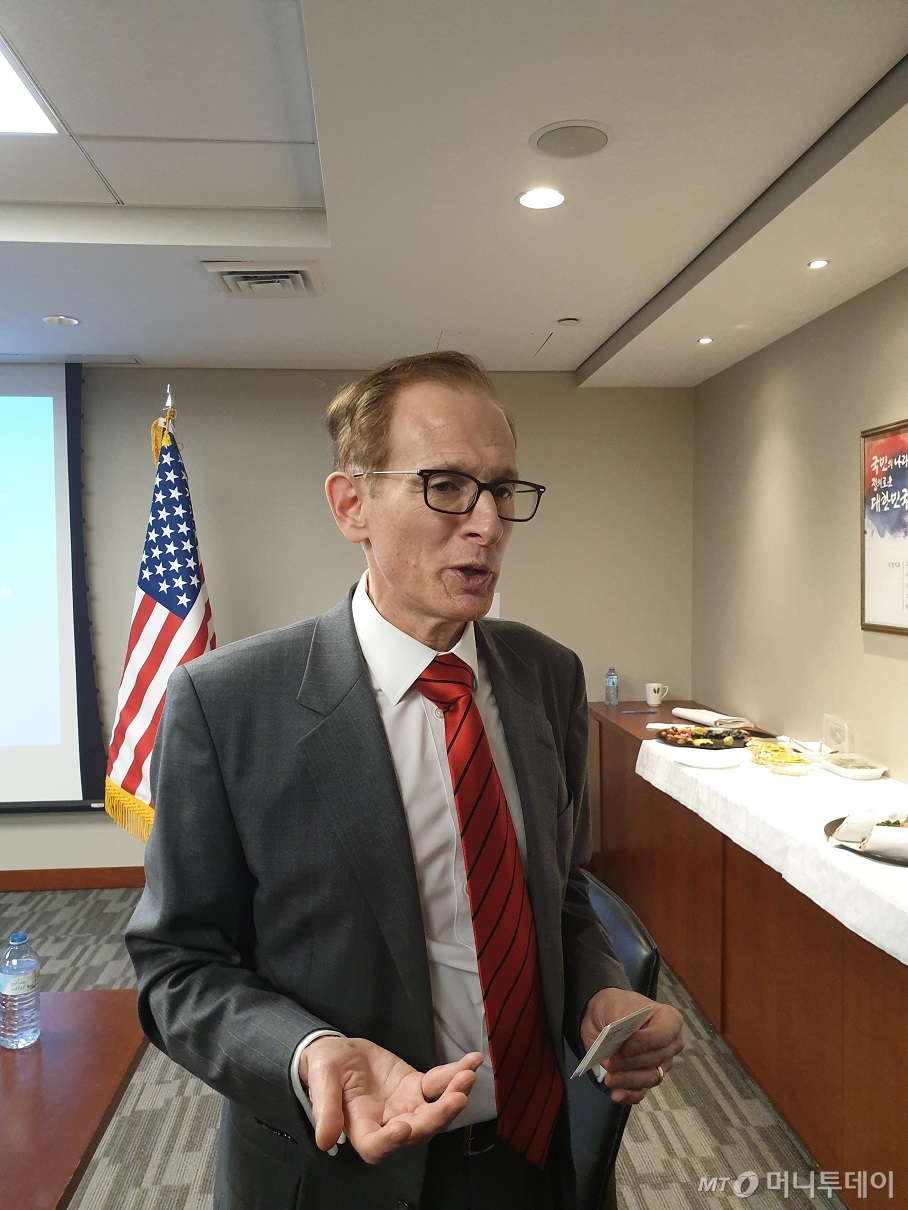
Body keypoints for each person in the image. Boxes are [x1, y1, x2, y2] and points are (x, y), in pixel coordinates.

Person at [126, 351, 684, 1210]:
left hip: (537, 1158)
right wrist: (306, 1052)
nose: (487, 522)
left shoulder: (548, 676)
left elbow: (560, 892)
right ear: (351, 504)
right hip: (339, 1172)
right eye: (447, 486)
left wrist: (598, 985)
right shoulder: (226, 702)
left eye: (502, 489)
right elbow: (179, 966)